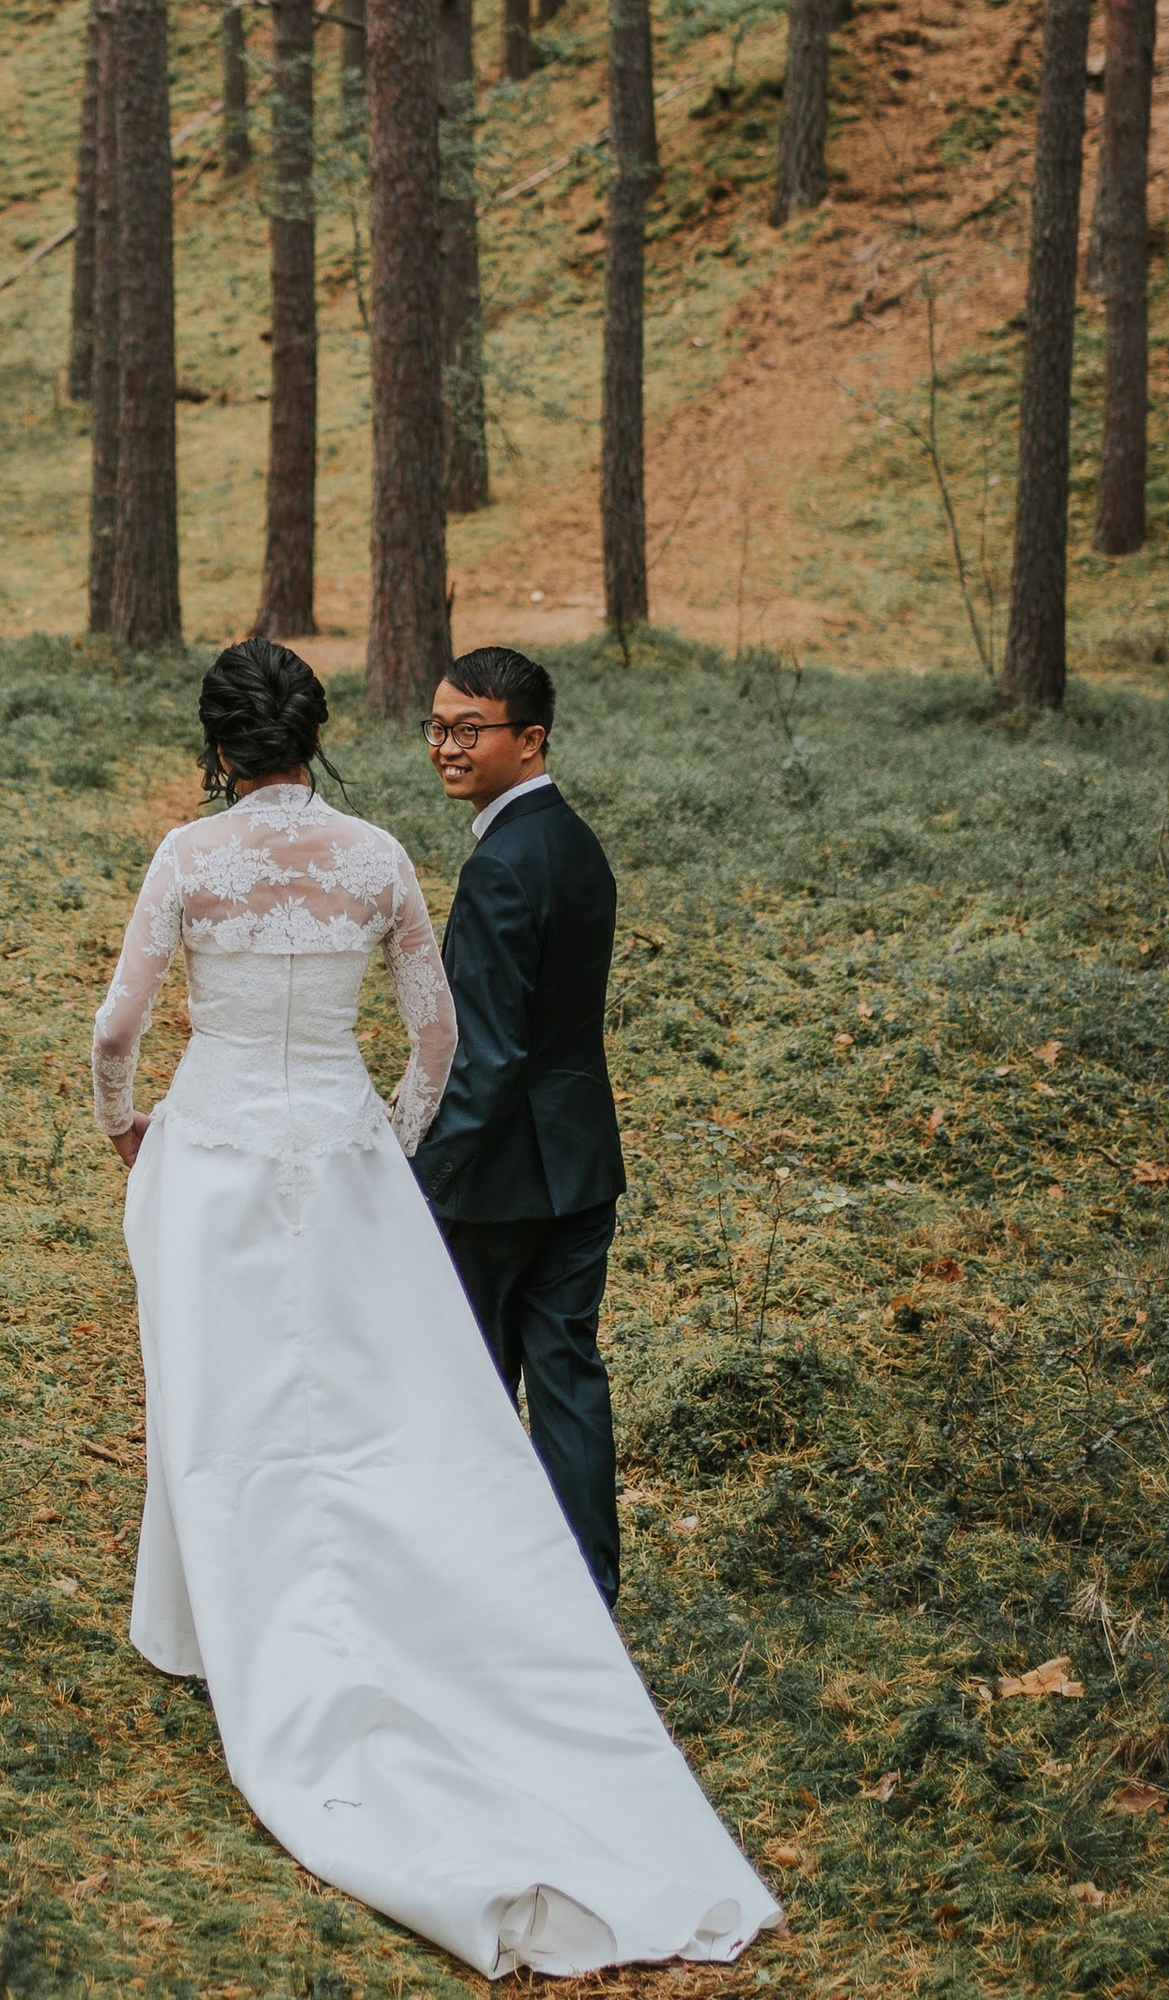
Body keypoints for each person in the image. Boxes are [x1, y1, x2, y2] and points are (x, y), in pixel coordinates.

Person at [90, 639, 777, 1980]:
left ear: (220, 742)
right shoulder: (381, 857)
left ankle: (197, 1627)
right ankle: (331, 1591)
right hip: (341, 1148)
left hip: (216, 1147)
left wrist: (126, 1126)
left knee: (212, 1378)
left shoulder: (185, 857)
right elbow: (438, 1035)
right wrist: (390, 1135)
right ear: (319, 732)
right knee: (352, 1385)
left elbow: (120, 1027)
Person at [412, 645, 626, 1606]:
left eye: (470, 730)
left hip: (500, 1182)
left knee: (471, 1384)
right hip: (581, 1163)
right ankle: (585, 1590)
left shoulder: (501, 866)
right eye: (437, 727)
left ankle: (476, 1582)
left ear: (529, 740)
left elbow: (488, 1055)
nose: (447, 748)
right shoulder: (575, 842)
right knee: (568, 1374)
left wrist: (428, 1179)